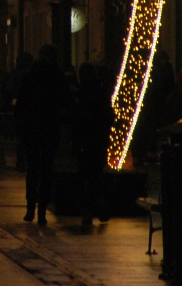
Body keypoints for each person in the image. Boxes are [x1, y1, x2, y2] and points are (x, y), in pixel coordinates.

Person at [15, 43, 69, 225]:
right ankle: (42, 211)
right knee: (46, 169)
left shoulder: (30, 75)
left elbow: (21, 103)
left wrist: (20, 126)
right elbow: (65, 101)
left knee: (32, 168)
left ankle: (30, 208)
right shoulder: (58, 76)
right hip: (50, 128)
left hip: (32, 127)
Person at [74, 62, 114, 228]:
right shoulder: (101, 92)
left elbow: (77, 117)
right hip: (99, 139)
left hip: (85, 139)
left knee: (85, 175)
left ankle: (88, 210)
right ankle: (100, 203)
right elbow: (109, 115)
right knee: (97, 173)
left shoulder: (81, 94)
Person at [5, 52, 34, 172]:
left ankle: (21, 161)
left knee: (20, 135)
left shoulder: (15, 74)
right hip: (31, 108)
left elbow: (9, 89)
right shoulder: (32, 75)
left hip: (18, 105)